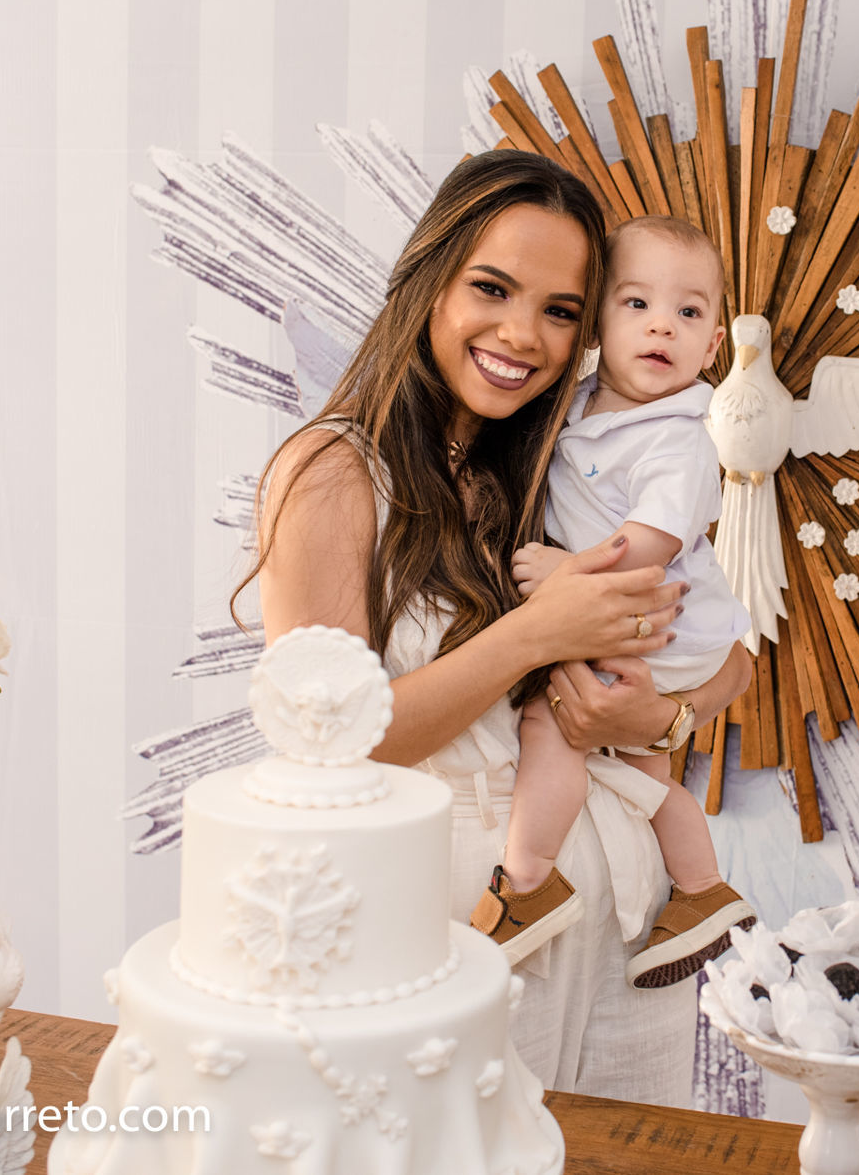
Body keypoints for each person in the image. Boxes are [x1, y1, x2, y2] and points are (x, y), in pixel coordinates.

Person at [243, 151, 752, 1104]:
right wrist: (540, 632)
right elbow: (330, 747)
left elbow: (734, 660)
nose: (524, 333)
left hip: (624, 926)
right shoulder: (333, 473)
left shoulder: (544, 468)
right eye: (492, 287)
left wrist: (656, 722)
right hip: (452, 927)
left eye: (560, 310)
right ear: (430, 277)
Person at [472, 216, 755, 991]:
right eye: (636, 303)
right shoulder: (588, 404)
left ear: (713, 347)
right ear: (598, 318)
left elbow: (651, 546)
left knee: (551, 721)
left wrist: (566, 574)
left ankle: (528, 882)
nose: (662, 324)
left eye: (689, 313)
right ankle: (703, 893)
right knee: (642, 769)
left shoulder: (677, 440)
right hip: (638, 616)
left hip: (662, 617)